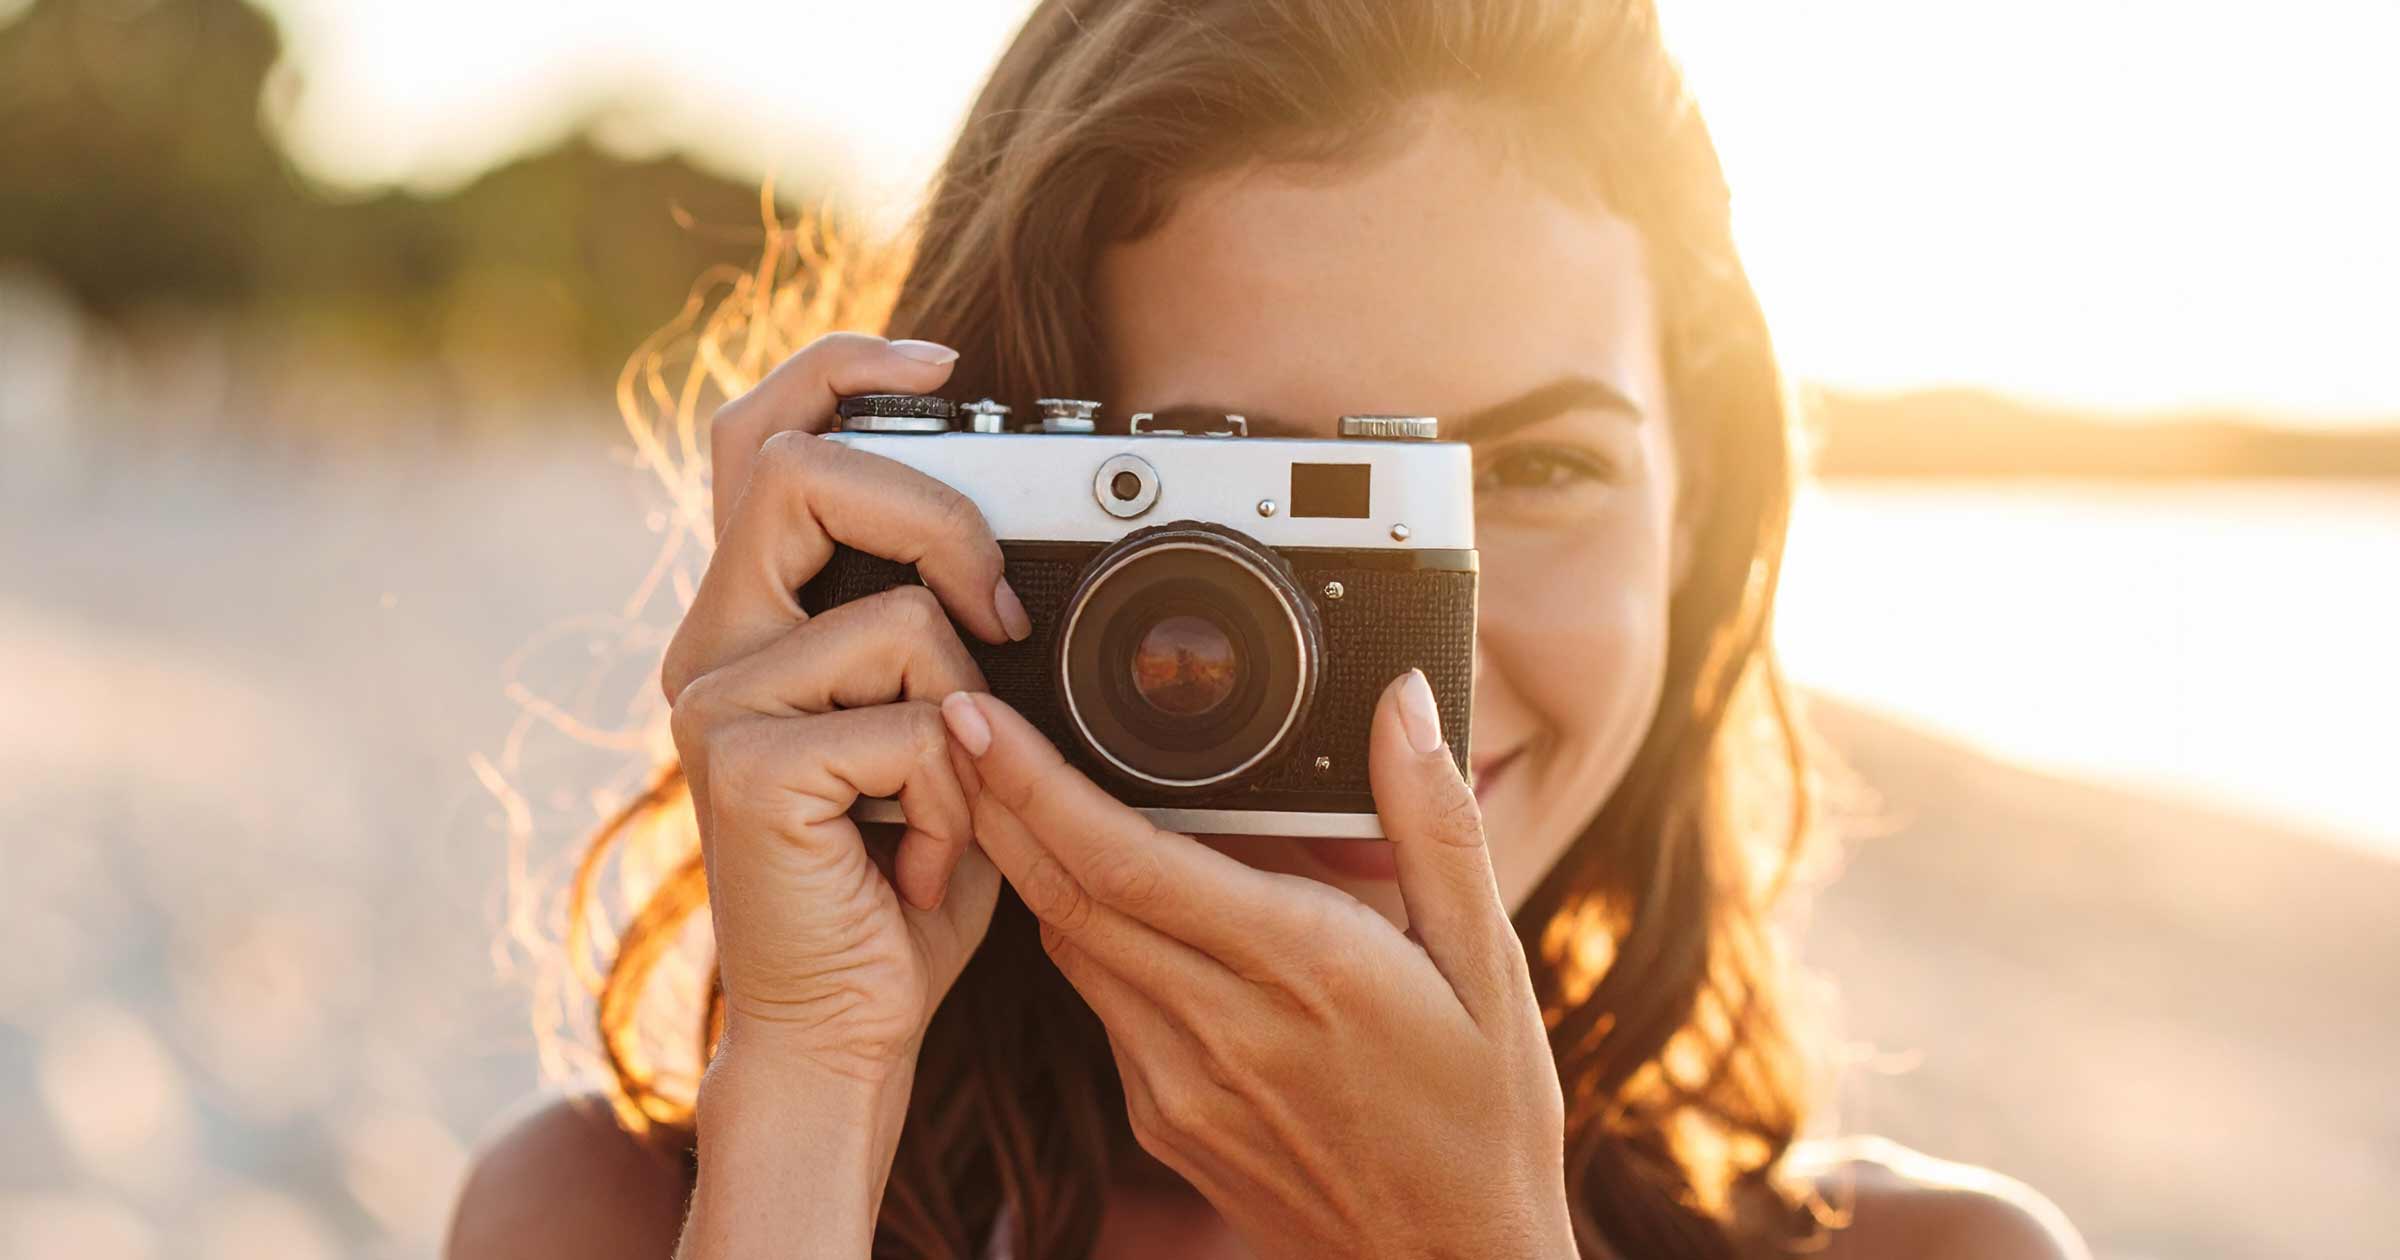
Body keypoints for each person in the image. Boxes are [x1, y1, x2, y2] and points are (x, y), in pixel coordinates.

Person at [449, 1, 2087, 1256]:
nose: (1414, 697)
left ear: (1698, 514)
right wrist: (810, 1090)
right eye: (1241, 510)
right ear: (974, 526)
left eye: (1541, 468)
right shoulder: (609, 1221)